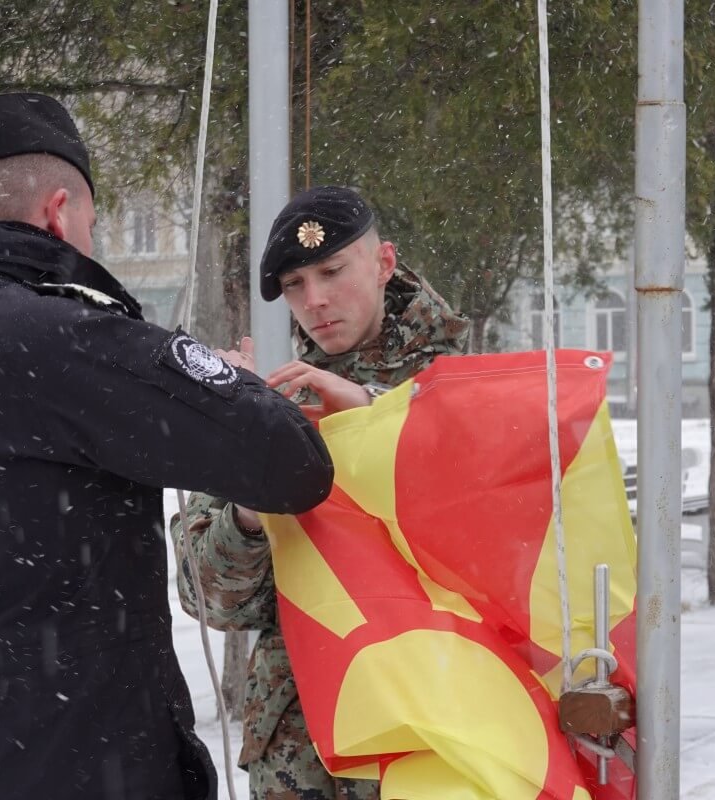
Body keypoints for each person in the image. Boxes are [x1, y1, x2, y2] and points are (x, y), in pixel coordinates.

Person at [0, 93, 335, 800]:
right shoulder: (57, 338)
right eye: (93, 225)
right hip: (95, 763)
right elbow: (291, 464)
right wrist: (245, 384)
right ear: (57, 212)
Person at [175, 186, 470, 799]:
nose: (315, 301)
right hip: (304, 754)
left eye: (332, 271)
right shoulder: (271, 406)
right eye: (294, 284)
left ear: (384, 263)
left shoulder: (467, 388)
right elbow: (214, 603)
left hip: (439, 731)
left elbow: (486, 541)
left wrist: (369, 418)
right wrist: (255, 483)